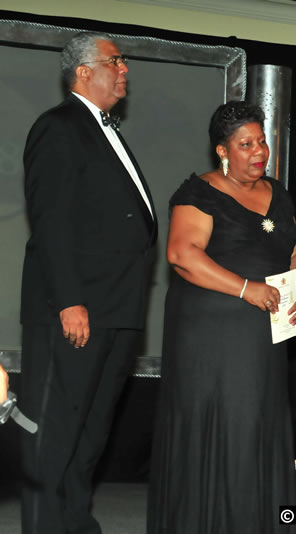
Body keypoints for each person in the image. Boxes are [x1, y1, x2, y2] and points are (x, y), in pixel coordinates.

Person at [19, 31, 157, 533]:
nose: (124, 69)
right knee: (54, 432)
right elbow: (50, 221)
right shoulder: (58, 127)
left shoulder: (106, 129)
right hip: (76, 310)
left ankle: (74, 522)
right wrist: (70, 301)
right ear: (82, 71)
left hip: (116, 310)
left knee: (91, 433)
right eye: (114, 61)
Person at [147, 101, 296, 533]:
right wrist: (245, 288)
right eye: (245, 144)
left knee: (257, 424)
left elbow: (295, 250)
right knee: (222, 425)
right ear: (222, 150)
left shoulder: (279, 193)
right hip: (210, 334)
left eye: (261, 141)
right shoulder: (197, 193)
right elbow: (181, 255)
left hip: (263, 336)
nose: (259, 151)